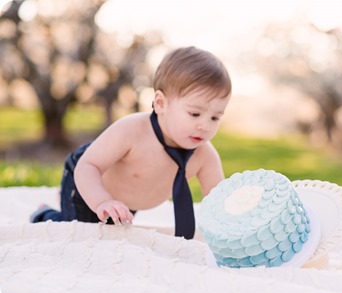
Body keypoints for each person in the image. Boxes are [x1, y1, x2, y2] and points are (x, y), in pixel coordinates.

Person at [30, 46, 232, 239]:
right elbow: (89, 165)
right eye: (194, 113)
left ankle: (70, 203)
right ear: (161, 103)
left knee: (112, 233)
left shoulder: (204, 156)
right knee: (79, 232)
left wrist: (236, 226)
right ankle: (44, 214)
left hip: (123, 202)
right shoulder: (132, 130)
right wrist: (102, 201)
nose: (205, 126)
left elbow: (218, 203)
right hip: (89, 179)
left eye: (215, 118)